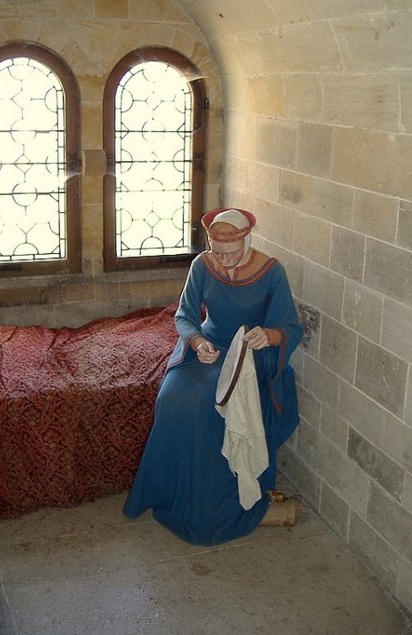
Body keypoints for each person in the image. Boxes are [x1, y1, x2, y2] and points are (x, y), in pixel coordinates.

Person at [123, 208, 303, 545]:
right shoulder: (202, 266)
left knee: (209, 404)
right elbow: (185, 315)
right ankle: (173, 496)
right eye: (218, 254)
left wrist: (270, 335)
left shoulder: (271, 271)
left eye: (232, 253)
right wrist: (196, 340)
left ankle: (210, 507)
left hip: (250, 358)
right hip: (208, 349)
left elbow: (290, 327)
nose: (226, 261)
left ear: (246, 240)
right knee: (172, 397)